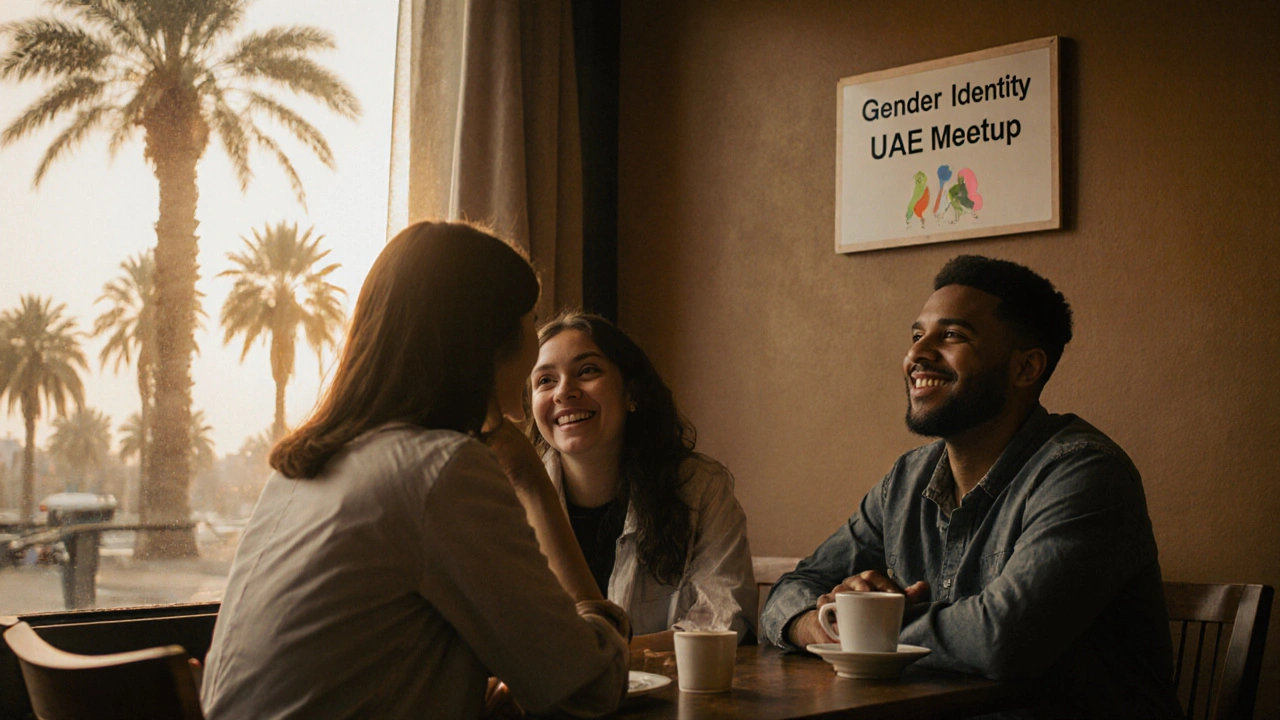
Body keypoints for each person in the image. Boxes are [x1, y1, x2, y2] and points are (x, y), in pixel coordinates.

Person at [201, 222, 630, 719]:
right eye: (529, 324)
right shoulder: (440, 470)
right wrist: (532, 481)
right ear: (489, 340)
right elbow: (588, 687)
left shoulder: (301, 472)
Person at [760, 255, 1182, 718]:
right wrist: (827, 624)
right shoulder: (904, 481)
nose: (917, 354)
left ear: (1026, 368)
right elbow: (789, 593)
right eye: (917, 335)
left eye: (952, 335)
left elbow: (1003, 638)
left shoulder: (1085, 475)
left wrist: (868, 626)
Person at [528, 310, 757, 652]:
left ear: (631, 393)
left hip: (674, 700)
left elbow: (724, 621)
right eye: (545, 380)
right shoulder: (511, 496)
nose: (564, 392)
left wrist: (601, 658)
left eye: (587, 371)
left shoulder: (700, 487)